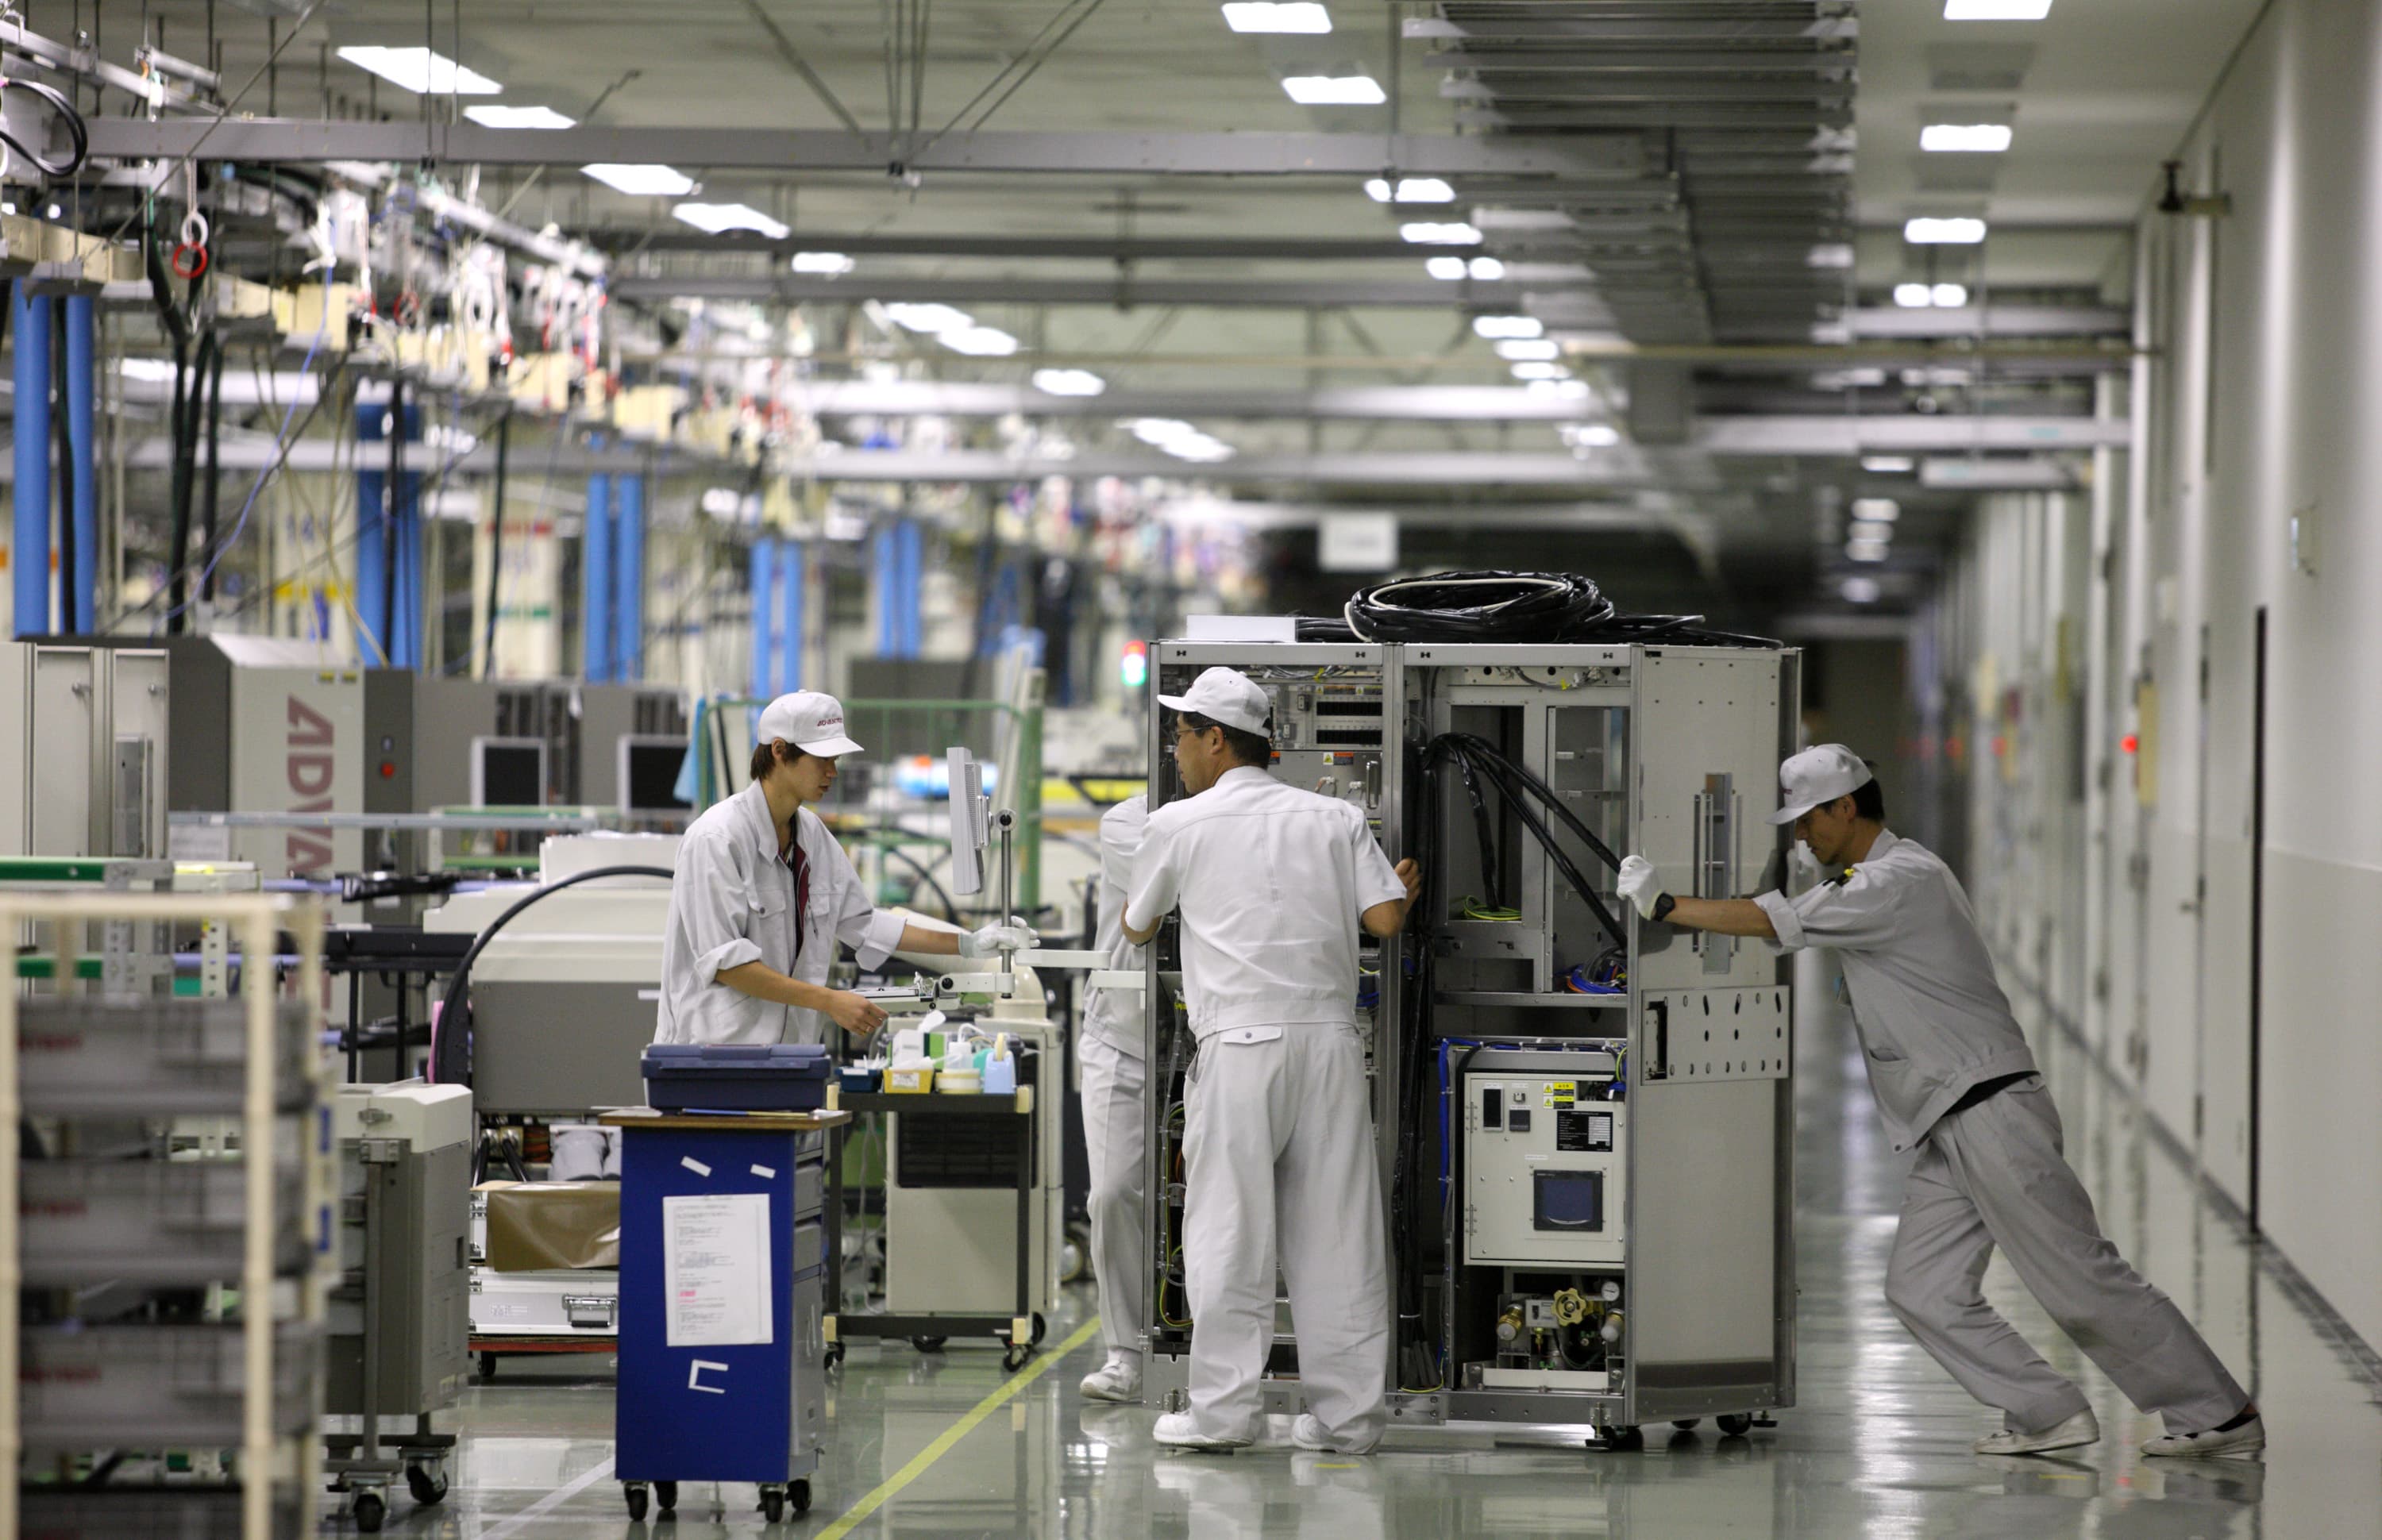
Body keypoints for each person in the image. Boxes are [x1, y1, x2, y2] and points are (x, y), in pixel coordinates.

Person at [1615, 744, 2261, 1460]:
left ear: (1845, 807)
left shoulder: (1898, 881)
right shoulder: (1880, 876)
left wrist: (1664, 904)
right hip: (1948, 1118)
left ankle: (2219, 1414)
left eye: (1808, 821)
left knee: (2079, 1280)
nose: (1802, 836)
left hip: (1993, 1112)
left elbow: (1777, 925)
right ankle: (2048, 1412)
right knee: (1922, 1289)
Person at [1120, 668, 1421, 1455]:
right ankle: (1350, 1419)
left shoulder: (1177, 823)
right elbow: (1387, 918)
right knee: (1339, 1233)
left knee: (1229, 1230)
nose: (1175, 750)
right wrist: (1402, 887)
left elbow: (1138, 924)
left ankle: (1222, 1414)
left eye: (1181, 735)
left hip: (1241, 1046)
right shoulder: (1334, 816)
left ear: (1214, 739)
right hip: (1328, 1046)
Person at [655, 691, 1033, 1048]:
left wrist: (968, 944)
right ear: (780, 751)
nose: (832, 772)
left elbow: (864, 924)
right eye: (823, 759)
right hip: (712, 1055)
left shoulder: (812, 837)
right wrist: (829, 1001)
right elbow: (727, 966)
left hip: (789, 1056)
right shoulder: (717, 839)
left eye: (835, 760)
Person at [1077, 791, 1151, 1405]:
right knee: (1112, 1192)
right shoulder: (1127, 820)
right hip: (1121, 1035)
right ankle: (1126, 1352)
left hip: (1210, 1036)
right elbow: (1163, 897)